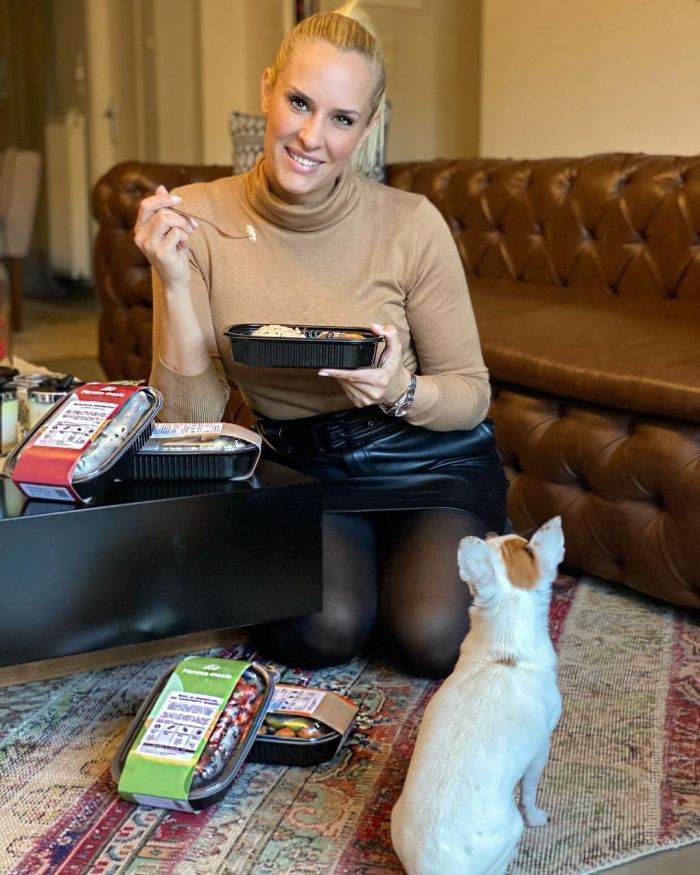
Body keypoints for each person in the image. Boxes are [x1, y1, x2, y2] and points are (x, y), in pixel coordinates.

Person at [134, 1, 507, 678]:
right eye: (299, 102)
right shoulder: (195, 219)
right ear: (267, 89)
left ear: (368, 125)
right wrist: (175, 281)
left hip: (426, 459)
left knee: (430, 635)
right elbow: (188, 422)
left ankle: (427, 554)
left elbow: (471, 393)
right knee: (321, 632)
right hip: (301, 466)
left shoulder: (410, 223)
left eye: (341, 118)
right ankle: (360, 566)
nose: (311, 136)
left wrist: (399, 390)